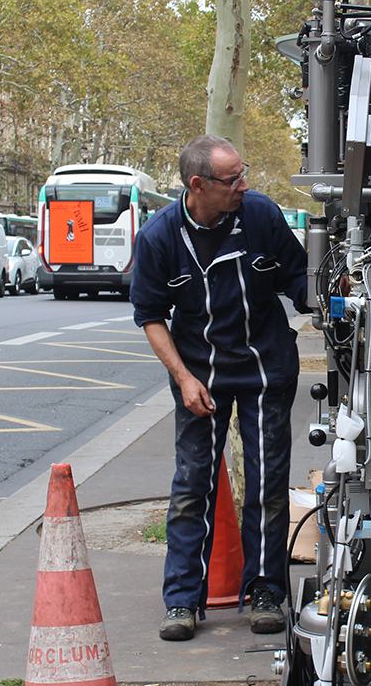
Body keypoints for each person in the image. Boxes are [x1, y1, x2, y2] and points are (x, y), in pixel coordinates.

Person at [130, 135, 309, 641]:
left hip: (265, 370)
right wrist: (184, 379)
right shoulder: (159, 237)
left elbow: (299, 279)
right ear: (198, 185)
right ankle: (182, 601)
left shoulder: (260, 216)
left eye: (243, 174)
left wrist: (330, 296)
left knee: (266, 487)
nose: (244, 186)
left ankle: (266, 591)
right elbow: (150, 316)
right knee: (192, 486)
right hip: (199, 376)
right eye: (233, 180)